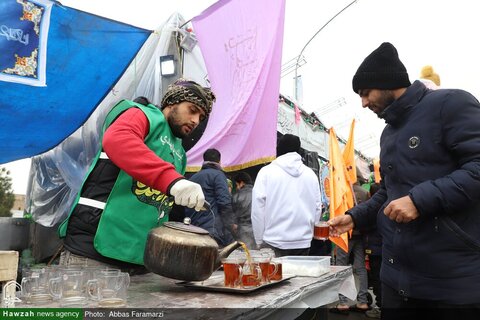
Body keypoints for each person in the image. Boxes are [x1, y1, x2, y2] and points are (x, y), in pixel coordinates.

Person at [330, 42, 480, 320]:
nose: (363, 103)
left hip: (452, 284)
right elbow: (388, 191)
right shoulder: (388, 134)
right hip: (396, 281)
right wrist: (355, 218)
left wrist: (419, 200)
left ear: (388, 83)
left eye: (365, 93)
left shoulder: (451, 104)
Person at [58, 78, 215, 273]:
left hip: (142, 258)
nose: (195, 121)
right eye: (192, 110)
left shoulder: (180, 153)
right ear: (172, 102)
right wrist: (172, 180)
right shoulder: (141, 114)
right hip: (95, 250)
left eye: (201, 117)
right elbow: (118, 139)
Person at [251, 134, 321, 257]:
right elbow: (317, 208)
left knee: (274, 276)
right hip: (303, 242)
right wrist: (310, 233)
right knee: (300, 275)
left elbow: (257, 209)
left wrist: (259, 240)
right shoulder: (311, 175)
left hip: (273, 241)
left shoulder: (266, 172)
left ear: (279, 148)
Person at [331, 181, 371, 314]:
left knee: (341, 267)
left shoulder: (341, 190)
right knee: (360, 268)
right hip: (359, 234)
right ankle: (363, 302)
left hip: (344, 234)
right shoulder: (365, 192)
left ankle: (343, 303)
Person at [184, 148, 235, 247]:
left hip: (193, 229)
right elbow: (224, 202)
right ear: (219, 161)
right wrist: (231, 224)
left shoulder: (193, 177)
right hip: (211, 230)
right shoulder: (218, 175)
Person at [363, 182, 382, 319]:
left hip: (375, 248)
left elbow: (367, 227)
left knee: (377, 279)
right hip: (382, 248)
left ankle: (381, 307)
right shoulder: (387, 206)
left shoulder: (374, 209)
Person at [231, 171, 255, 249]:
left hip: (242, 231)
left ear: (241, 183)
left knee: (245, 255)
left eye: (237, 185)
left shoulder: (237, 195)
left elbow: (233, 214)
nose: (237, 187)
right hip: (258, 230)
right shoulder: (258, 192)